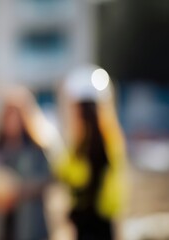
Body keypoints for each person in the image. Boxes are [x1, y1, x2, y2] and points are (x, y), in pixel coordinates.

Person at [54, 65, 126, 240]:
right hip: (94, 218)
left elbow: (79, 177)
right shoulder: (106, 138)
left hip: (95, 218)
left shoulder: (95, 142)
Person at [0, 86, 53, 240]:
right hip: (2, 227)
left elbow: (49, 179)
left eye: (16, 115)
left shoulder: (37, 149)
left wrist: (16, 190)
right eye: (8, 115)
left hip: (30, 226)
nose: (12, 121)